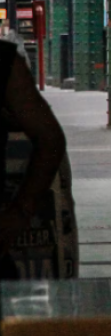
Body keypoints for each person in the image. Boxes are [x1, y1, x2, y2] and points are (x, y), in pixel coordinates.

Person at [0, 40, 67, 279]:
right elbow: (50, 139)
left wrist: (20, 212)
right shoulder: (5, 61)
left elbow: (51, 140)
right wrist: (21, 211)